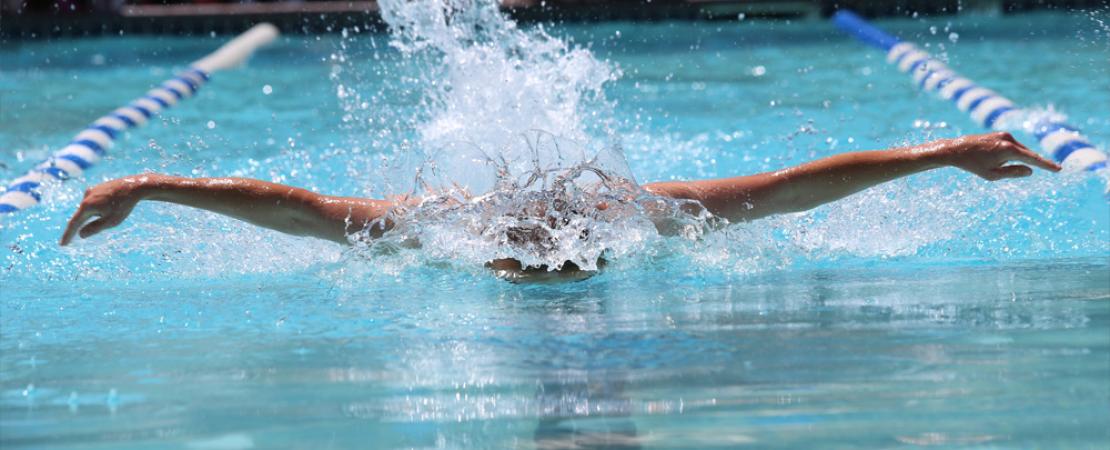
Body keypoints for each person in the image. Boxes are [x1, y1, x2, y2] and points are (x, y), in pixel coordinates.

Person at [59, 132, 1059, 280]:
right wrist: (144, 181)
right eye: (530, 241)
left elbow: (802, 187)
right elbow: (297, 206)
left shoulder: (645, 215)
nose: (551, 255)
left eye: (562, 239)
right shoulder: (439, 226)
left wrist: (946, 154)